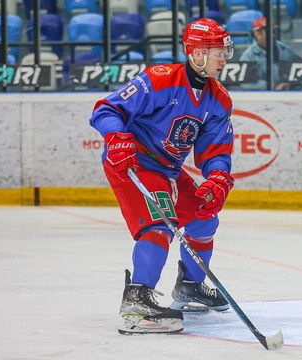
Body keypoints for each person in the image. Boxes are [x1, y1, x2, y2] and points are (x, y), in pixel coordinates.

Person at [89, 18, 236, 335]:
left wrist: (217, 178)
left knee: (204, 216)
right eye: (217, 52)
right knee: (159, 224)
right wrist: (117, 137)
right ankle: (137, 301)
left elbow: (215, 151)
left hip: (168, 168)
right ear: (195, 52)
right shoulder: (158, 80)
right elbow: (105, 110)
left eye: (225, 51)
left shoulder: (219, 99)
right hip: (134, 161)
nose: (224, 58)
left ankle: (190, 287)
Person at [239, 16, 299, 90]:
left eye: (274, 31)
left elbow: (298, 72)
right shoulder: (248, 56)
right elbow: (246, 83)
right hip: (261, 98)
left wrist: (289, 83)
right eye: (269, 32)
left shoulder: (286, 50)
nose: (273, 35)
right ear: (257, 34)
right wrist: (271, 86)